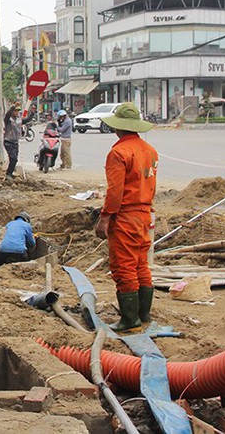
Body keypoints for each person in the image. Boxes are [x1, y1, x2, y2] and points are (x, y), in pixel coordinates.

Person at [95, 103, 159, 333]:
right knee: (141, 264)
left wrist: (105, 218)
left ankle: (130, 319)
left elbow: (115, 192)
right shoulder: (149, 151)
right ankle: (144, 314)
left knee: (124, 267)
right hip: (144, 214)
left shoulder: (119, 153)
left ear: (117, 127)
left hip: (126, 216)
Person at [3, 104, 34, 180]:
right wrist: (12, 107)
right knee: (13, 157)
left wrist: (32, 113)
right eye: (15, 111)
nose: (17, 112)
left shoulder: (19, 119)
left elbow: (27, 120)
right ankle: (8, 174)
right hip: (8, 141)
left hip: (15, 142)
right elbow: (7, 115)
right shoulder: (8, 120)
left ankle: (10, 172)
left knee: (15, 159)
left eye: (17, 111)